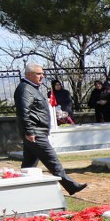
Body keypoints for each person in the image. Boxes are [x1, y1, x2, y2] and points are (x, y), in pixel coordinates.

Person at [14, 63, 87, 195]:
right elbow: (23, 112)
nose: (42, 76)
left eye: (42, 73)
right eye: (38, 74)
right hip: (35, 132)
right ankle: (71, 186)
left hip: (37, 131)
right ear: (29, 74)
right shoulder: (25, 89)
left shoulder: (32, 88)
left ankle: (20, 189)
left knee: (28, 165)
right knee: (52, 160)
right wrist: (29, 131)